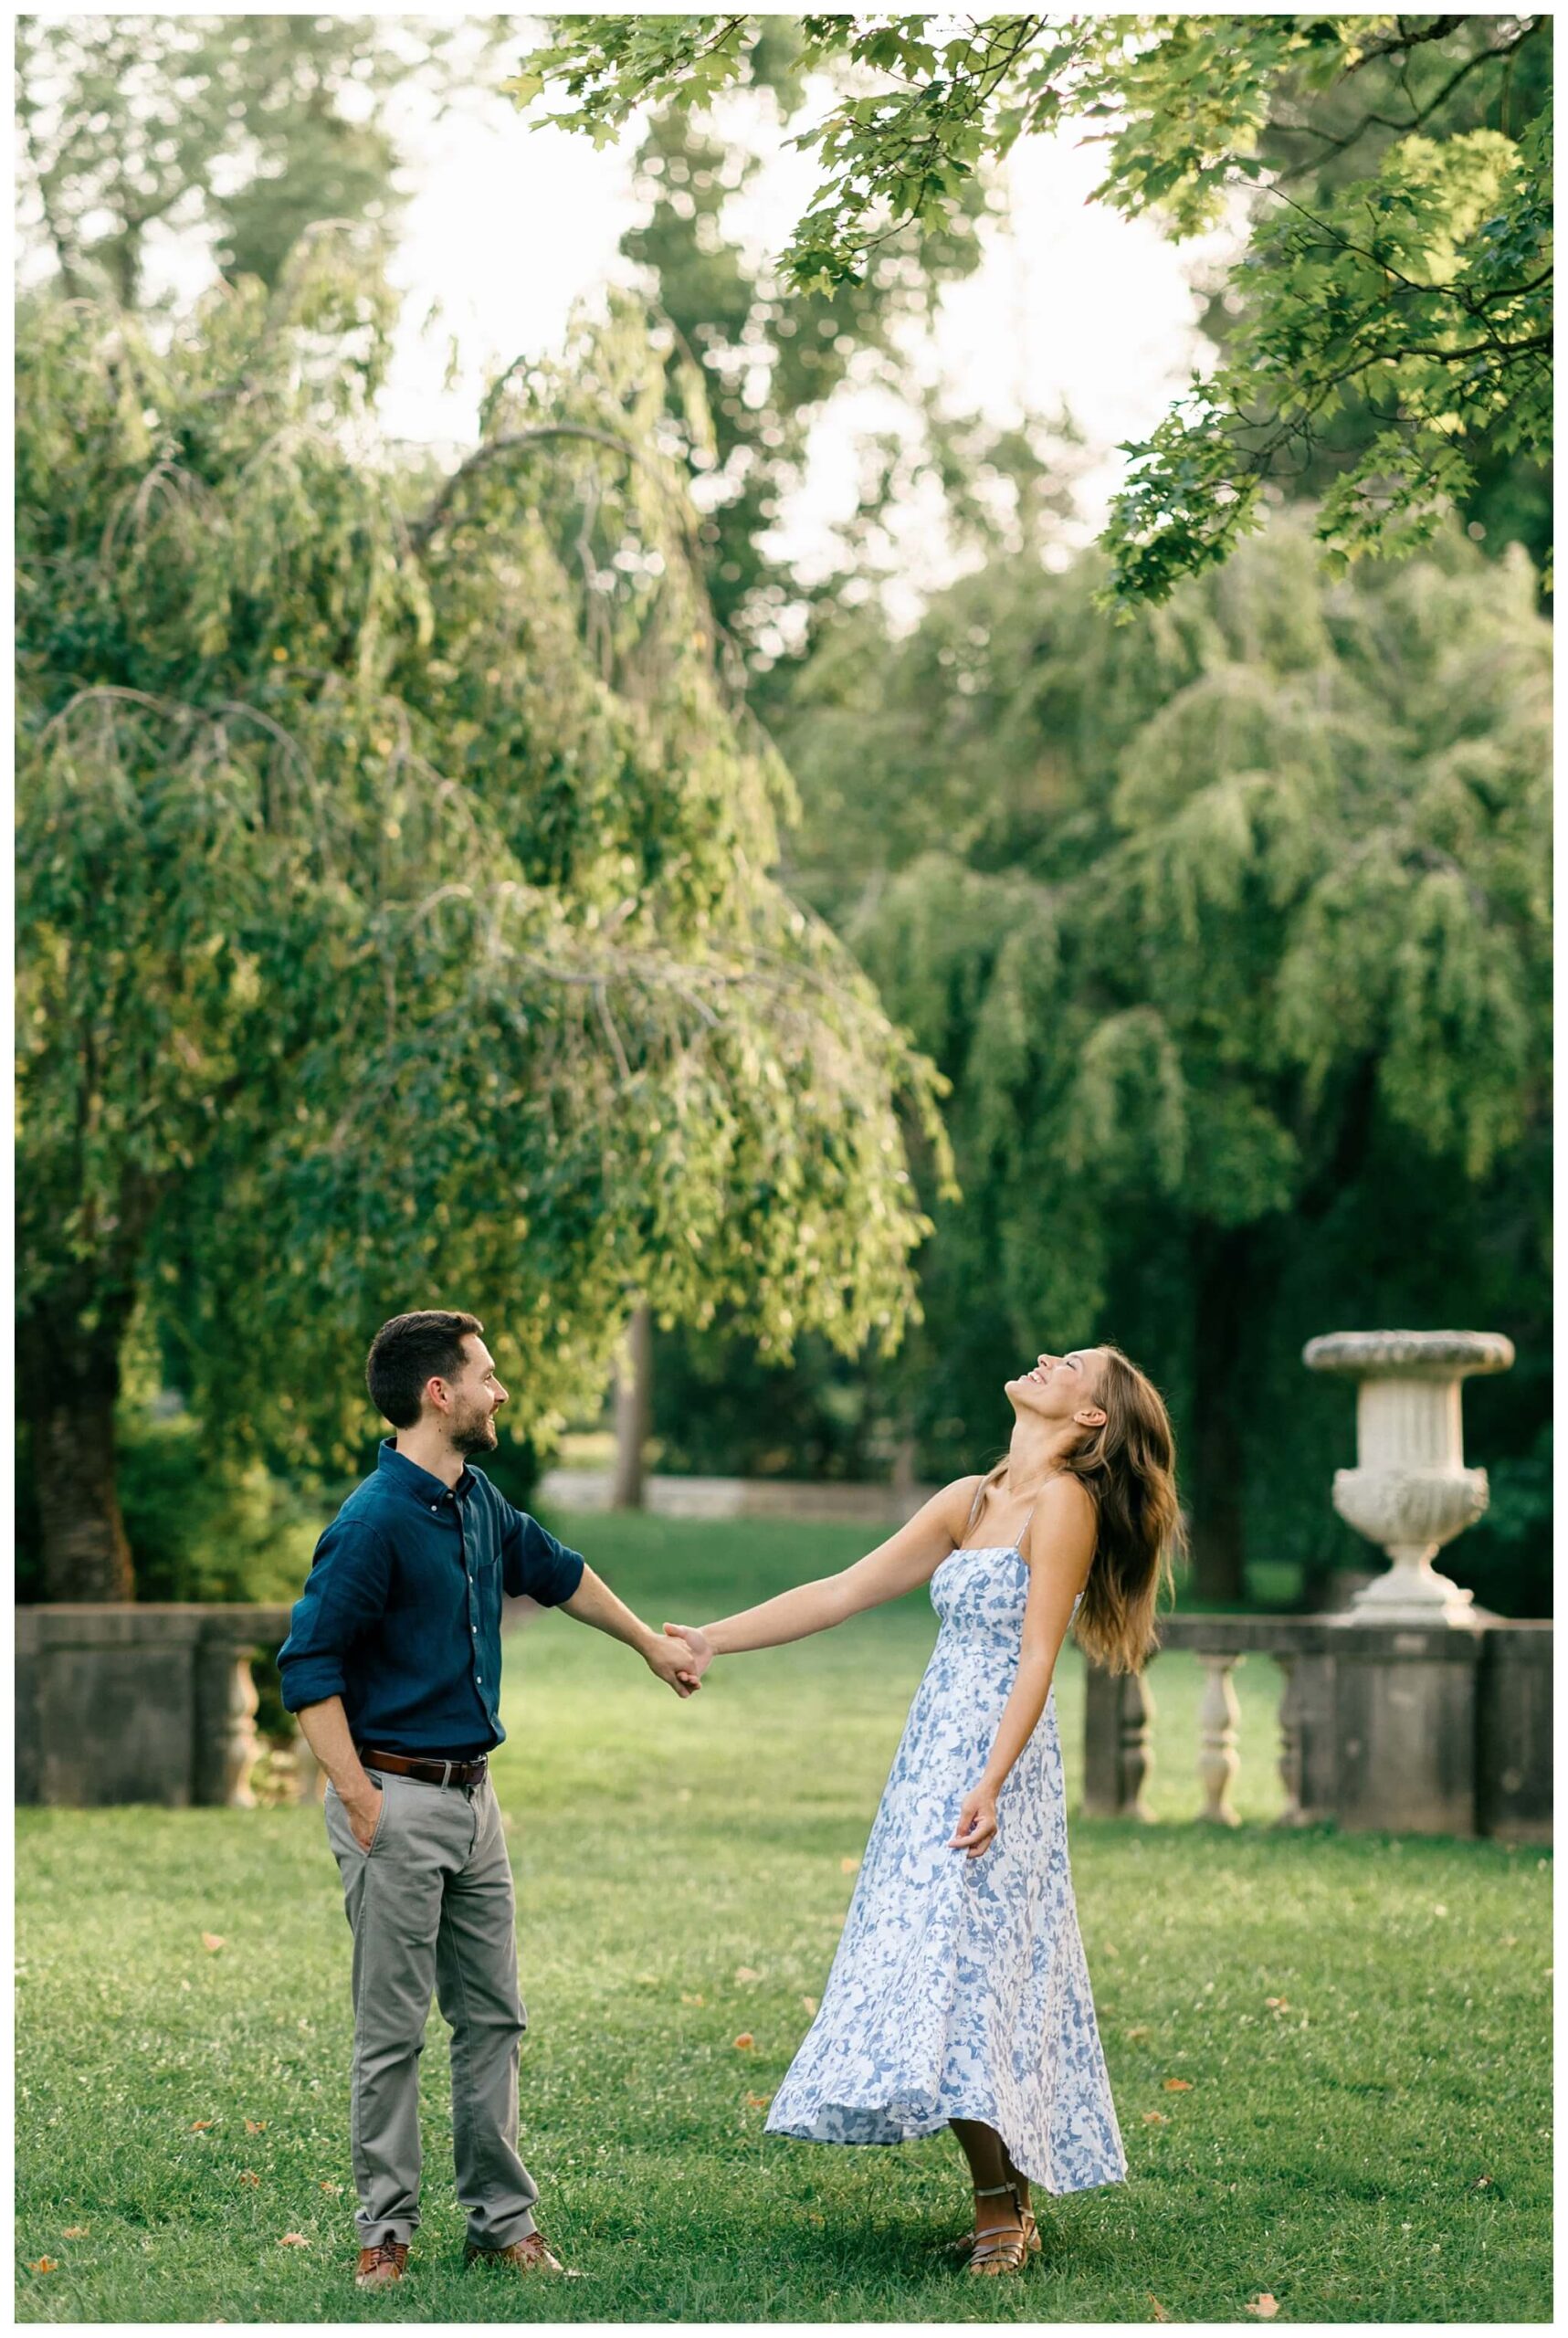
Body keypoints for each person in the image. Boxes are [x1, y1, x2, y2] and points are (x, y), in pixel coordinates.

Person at [665, 1343, 1183, 2276]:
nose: (1039, 1359)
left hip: (994, 1768)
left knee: (967, 1981)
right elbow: (842, 1591)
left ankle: (1000, 2206)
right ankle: (1006, 2200)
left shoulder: (1061, 1505)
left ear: (1092, 1416)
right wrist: (711, 1637)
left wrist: (989, 1779)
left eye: (1067, 1364)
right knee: (939, 1974)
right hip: (931, 1762)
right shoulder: (972, 1498)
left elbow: (1036, 1656)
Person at [278, 1309, 700, 2291]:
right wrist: (357, 1798)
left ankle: (502, 2224)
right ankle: (384, 2230)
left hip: (476, 1800)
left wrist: (648, 1643)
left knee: (494, 2018)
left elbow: (559, 1573)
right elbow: (308, 1667)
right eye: (487, 1375)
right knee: (391, 2031)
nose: (500, 1391)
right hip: (393, 1799)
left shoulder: (476, 1499)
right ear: (440, 1393)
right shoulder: (371, 1521)